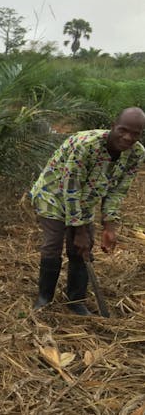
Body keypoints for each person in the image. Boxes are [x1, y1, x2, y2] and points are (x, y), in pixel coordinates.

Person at [29, 107, 145, 315]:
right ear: (113, 127)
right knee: (54, 244)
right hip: (53, 194)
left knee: (83, 250)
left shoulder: (136, 154)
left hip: (84, 200)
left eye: (135, 133)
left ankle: (76, 301)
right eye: (123, 130)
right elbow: (70, 188)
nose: (128, 137)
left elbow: (118, 191)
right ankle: (44, 298)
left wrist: (109, 226)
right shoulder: (86, 146)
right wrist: (79, 231)